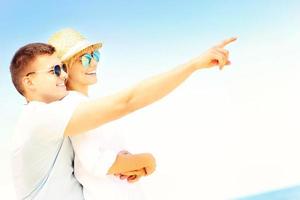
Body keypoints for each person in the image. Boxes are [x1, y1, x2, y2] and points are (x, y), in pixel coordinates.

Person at [10, 34, 236, 199]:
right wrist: (194, 64)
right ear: (28, 81)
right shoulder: (40, 118)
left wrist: (128, 165)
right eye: (55, 71)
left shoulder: (57, 115)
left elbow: (86, 167)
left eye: (62, 68)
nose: (63, 75)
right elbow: (127, 102)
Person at [48, 28, 155, 199]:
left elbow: (107, 152)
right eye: (85, 58)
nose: (94, 63)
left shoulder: (83, 103)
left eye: (95, 55)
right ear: (64, 69)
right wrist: (147, 161)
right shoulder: (75, 106)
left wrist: (132, 166)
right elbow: (95, 162)